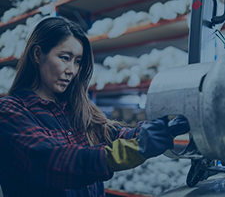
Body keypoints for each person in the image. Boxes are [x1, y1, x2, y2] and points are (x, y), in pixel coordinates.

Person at [0, 16, 189, 197]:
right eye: (65, 57)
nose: (72, 70)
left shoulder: (73, 108)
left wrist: (162, 129)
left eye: (78, 61)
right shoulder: (10, 111)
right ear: (38, 54)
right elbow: (52, 161)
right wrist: (134, 149)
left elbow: (113, 135)